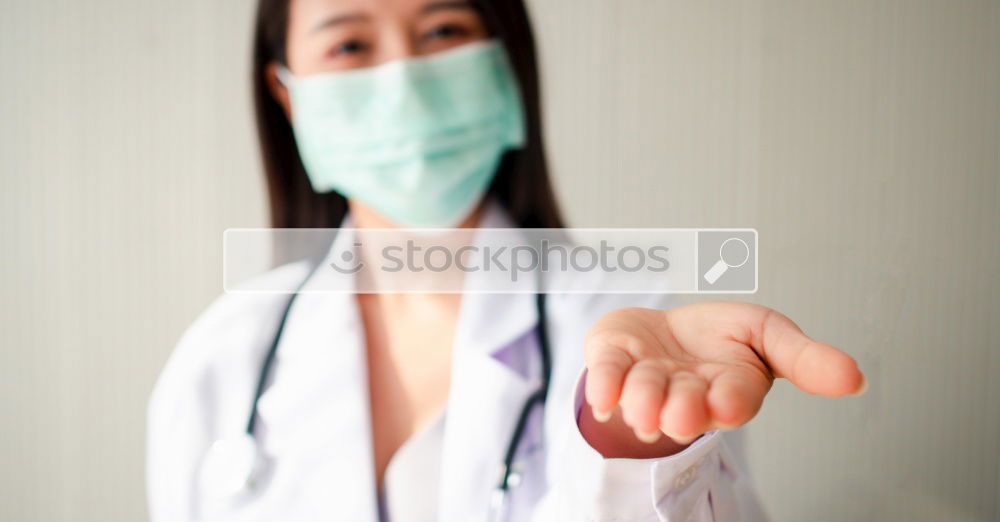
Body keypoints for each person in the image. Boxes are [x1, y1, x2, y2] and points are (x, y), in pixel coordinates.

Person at [147, 1, 866, 520]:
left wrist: (631, 448)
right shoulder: (224, 356)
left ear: (505, 65)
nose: (404, 78)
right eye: (349, 45)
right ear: (287, 94)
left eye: (442, 30)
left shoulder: (635, 334)